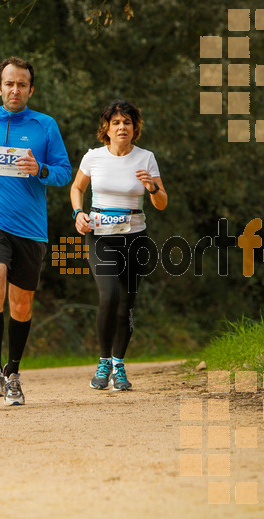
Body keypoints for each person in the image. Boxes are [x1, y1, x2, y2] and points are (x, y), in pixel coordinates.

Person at [0, 56, 72, 406]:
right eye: (9, 83)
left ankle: (13, 374)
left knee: (21, 304)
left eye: (21, 84)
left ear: (30, 89)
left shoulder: (45, 126)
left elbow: (64, 172)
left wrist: (40, 169)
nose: (15, 89)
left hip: (31, 229)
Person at [69, 100, 167, 391]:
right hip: (100, 236)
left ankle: (118, 365)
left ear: (135, 128)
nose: (122, 127)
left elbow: (161, 203)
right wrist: (78, 213)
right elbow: (77, 188)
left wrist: (151, 187)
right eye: (116, 122)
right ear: (107, 129)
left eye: (127, 122)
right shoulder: (93, 158)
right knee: (109, 295)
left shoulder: (146, 158)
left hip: (135, 238)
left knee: (127, 304)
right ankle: (102, 361)